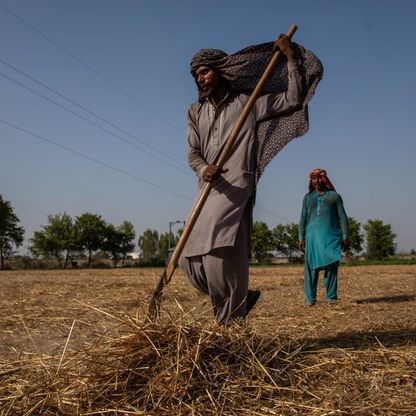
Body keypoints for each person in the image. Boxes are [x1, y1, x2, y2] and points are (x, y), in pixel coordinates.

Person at [178, 34, 312, 326]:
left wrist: (290, 59)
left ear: (221, 71)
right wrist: (204, 169)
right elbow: (192, 154)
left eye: (204, 71)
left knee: (218, 256)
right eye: (195, 75)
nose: (199, 79)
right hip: (207, 188)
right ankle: (241, 298)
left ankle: (230, 326)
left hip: (236, 187)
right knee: (187, 259)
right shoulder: (194, 111)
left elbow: (293, 99)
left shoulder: (248, 104)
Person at [298, 169, 349, 306]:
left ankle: (331, 297)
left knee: (332, 266)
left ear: (325, 180)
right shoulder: (308, 198)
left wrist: (345, 236)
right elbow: (303, 219)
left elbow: (343, 217)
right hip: (312, 238)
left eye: (320, 178)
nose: (317, 181)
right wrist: (301, 237)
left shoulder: (334, 196)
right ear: (311, 181)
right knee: (311, 270)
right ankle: (310, 299)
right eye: (314, 179)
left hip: (330, 238)